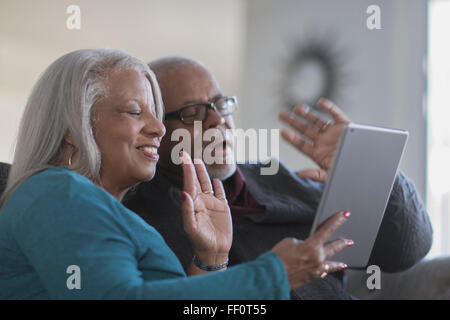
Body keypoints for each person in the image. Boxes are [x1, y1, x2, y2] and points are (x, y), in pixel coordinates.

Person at [0, 49, 352, 299]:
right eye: (135, 112)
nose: (159, 128)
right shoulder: (58, 193)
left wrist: (210, 259)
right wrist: (275, 274)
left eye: (156, 113)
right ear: (71, 130)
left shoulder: (96, 208)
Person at [123, 56, 433, 300]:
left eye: (221, 105)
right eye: (193, 113)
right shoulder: (141, 218)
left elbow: (406, 250)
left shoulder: (275, 179)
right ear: (156, 131)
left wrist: (366, 168)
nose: (219, 120)